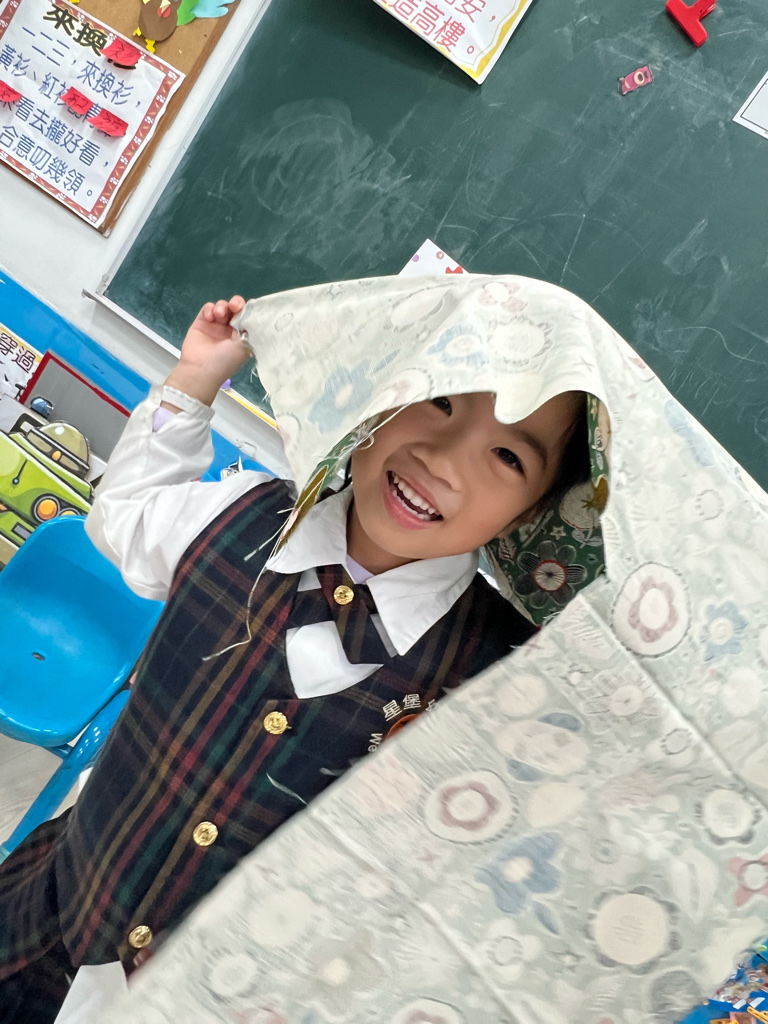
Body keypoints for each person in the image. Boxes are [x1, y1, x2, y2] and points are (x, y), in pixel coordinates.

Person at [0, 285, 598, 1022]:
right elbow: (123, 518)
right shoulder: (236, 513)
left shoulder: (510, 681)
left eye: (507, 455)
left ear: (532, 511)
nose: (443, 460)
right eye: (441, 400)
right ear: (384, 397)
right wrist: (196, 378)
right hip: (39, 917)